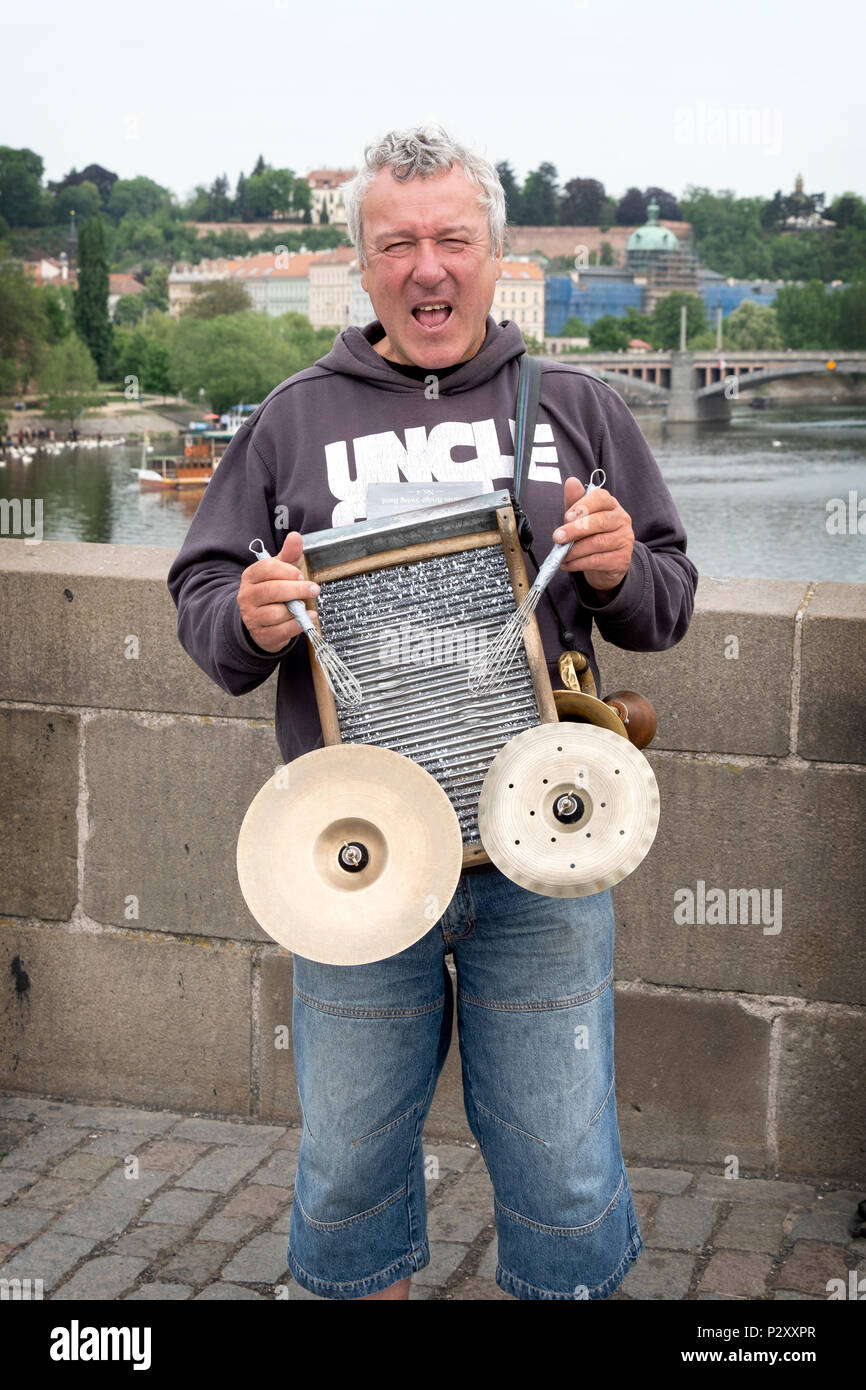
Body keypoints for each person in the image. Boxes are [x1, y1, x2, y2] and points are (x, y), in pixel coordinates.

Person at [167, 124, 698, 1301]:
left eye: (451, 239)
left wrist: (615, 568)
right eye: (395, 243)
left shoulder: (575, 406)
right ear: (361, 266)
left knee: (562, 1170)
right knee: (348, 1165)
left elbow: (664, 607)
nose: (425, 267)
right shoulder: (288, 418)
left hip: (540, 861)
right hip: (347, 867)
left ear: (493, 257)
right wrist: (247, 615)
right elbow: (205, 602)